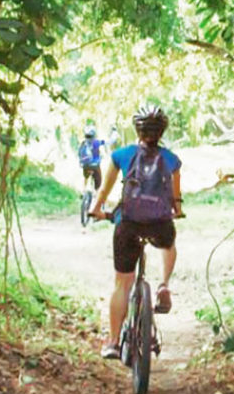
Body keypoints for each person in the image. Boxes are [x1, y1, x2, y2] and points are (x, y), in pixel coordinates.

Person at [89, 105, 183, 360]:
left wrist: (96, 210)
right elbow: (176, 200)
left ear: (137, 130)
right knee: (168, 242)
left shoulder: (121, 154)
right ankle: (164, 284)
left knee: (122, 283)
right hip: (160, 225)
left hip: (128, 224)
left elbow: (104, 192)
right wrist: (176, 212)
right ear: (161, 131)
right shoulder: (172, 160)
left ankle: (113, 342)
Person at [77, 126, 105, 191]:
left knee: (85, 178)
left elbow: (79, 153)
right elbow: (105, 143)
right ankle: (96, 193)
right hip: (95, 166)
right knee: (98, 180)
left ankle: (83, 191)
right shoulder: (96, 142)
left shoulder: (83, 143)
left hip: (85, 165)